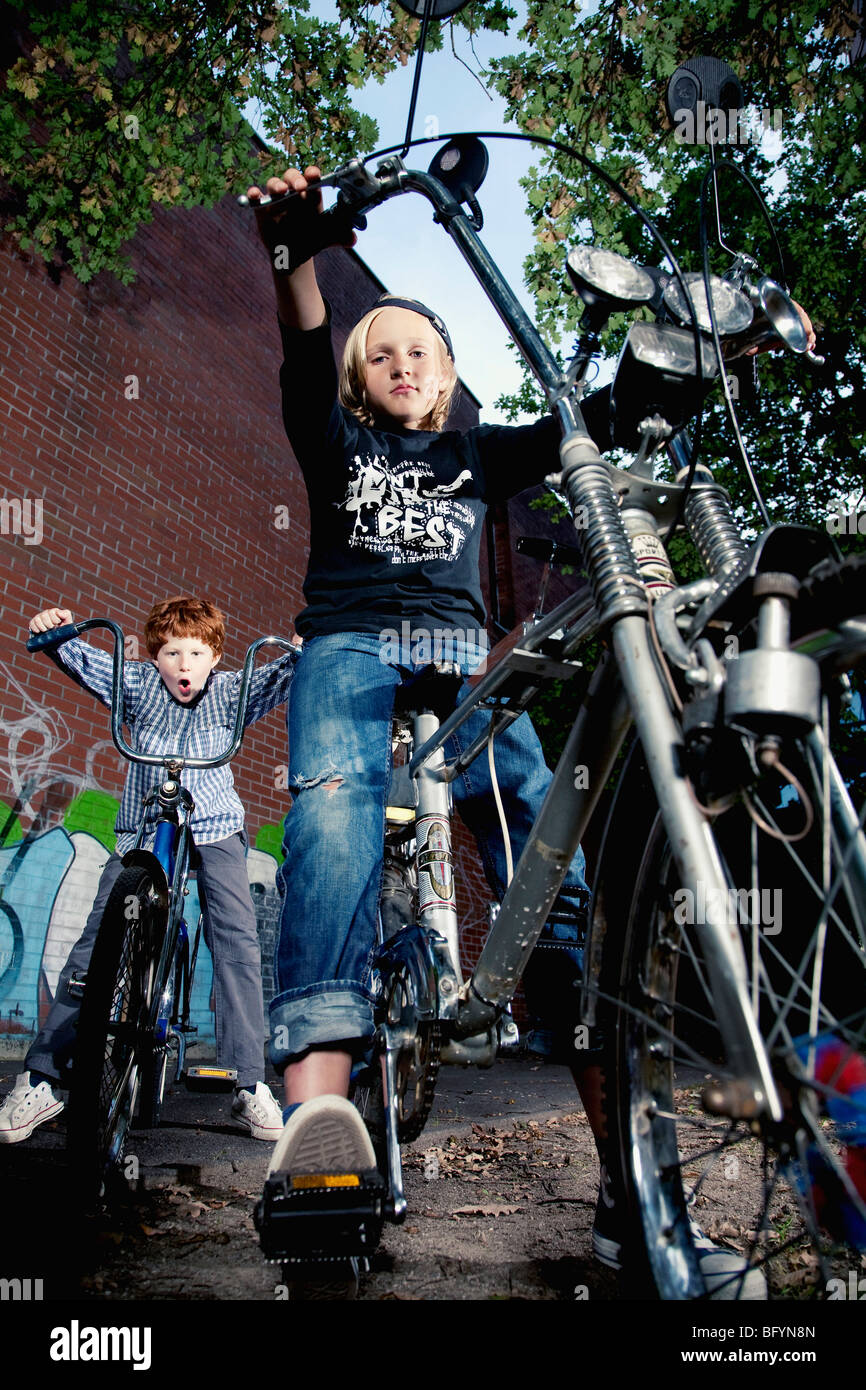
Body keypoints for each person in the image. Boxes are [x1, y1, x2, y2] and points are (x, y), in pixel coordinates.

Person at [247, 165, 813, 1291]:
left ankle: (629, 1188)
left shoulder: (476, 452)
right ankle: (316, 1129)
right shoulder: (335, 440)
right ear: (361, 380)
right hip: (352, 645)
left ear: (451, 378)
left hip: (465, 661)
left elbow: (594, 419)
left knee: (544, 874)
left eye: (422, 352)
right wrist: (290, 247)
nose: (401, 362)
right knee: (334, 812)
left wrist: (694, 360)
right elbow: (301, 324)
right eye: (383, 352)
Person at [0, 597, 299, 1145]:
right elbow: (82, 660)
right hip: (144, 828)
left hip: (215, 827)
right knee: (96, 940)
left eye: (196, 652)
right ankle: (41, 1078)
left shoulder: (231, 692)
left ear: (215, 656)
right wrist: (55, 634)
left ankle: (248, 1083)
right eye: (171, 652)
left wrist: (300, 653)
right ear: (154, 656)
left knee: (236, 939)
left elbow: (279, 676)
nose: (184, 665)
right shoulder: (136, 684)